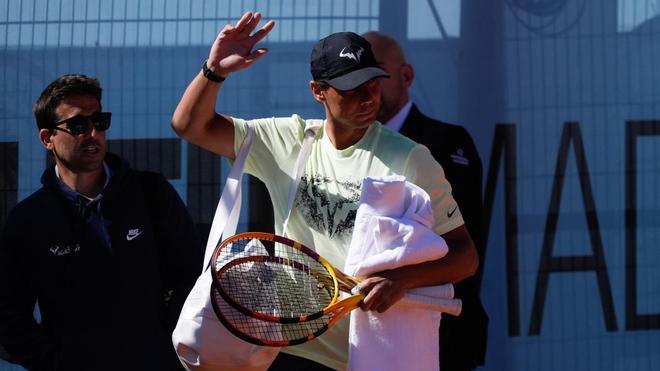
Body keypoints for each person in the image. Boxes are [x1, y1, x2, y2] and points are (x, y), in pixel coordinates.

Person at [171, 11, 478, 371]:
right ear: (318, 91)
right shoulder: (288, 140)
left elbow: (464, 256)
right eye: (352, 89)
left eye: (373, 84)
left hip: (370, 357)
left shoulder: (412, 159)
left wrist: (400, 281)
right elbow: (190, 125)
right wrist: (214, 70)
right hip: (287, 350)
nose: (368, 98)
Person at [0, 74, 203, 371]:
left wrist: (164, 347)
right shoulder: (29, 220)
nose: (92, 133)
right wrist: (57, 363)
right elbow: (8, 313)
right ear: (47, 139)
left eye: (100, 121)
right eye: (78, 125)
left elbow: (193, 276)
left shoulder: (151, 193)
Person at [362, 31, 489, 370]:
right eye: (355, 74)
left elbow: (461, 252)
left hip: (440, 334)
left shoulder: (447, 144)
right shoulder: (339, 149)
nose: (365, 83)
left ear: (406, 76)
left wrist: (399, 283)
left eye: (375, 70)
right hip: (364, 333)